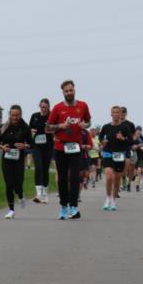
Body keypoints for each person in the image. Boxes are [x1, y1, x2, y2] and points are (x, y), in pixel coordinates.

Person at [46, 80, 91, 220]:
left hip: (75, 147)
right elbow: (47, 127)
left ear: (74, 90)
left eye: (71, 90)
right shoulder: (58, 108)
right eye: (67, 91)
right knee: (63, 178)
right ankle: (63, 207)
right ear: (63, 92)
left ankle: (74, 206)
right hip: (60, 147)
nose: (69, 93)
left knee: (75, 177)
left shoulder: (83, 105)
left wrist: (85, 125)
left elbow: (88, 122)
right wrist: (60, 126)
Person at [0, 105, 33, 218]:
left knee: (18, 184)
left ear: (20, 115)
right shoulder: (4, 127)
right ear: (9, 115)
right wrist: (3, 148)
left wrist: (24, 145)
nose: (15, 117)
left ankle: (21, 195)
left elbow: (32, 144)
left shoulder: (25, 128)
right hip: (6, 159)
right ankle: (11, 210)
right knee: (9, 184)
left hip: (19, 159)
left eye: (17, 115)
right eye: (13, 115)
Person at [98, 106, 131, 211]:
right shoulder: (106, 127)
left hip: (119, 155)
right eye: (114, 112)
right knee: (109, 177)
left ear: (121, 114)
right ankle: (108, 198)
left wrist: (123, 138)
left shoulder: (125, 128)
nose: (116, 114)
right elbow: (100, 137)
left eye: (118, 112)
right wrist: (102, 142)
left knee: (117, 180)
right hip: (108, 153)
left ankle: (114, 200)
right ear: (111, 114)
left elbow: (130, 141)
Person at [28, 98, 54, 204]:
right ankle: (38, 194)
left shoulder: (52, 116)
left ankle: (45, 193)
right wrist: (31, 130)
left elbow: (56, 128)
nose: (43, 109)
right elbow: (29, 128)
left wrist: (51, 130)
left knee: (45, 169)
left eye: (45, 107)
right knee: (38, 167)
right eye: (41, 107)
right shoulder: (34, 116)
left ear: (48, 107)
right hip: (37, 146)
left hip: (48, 146)